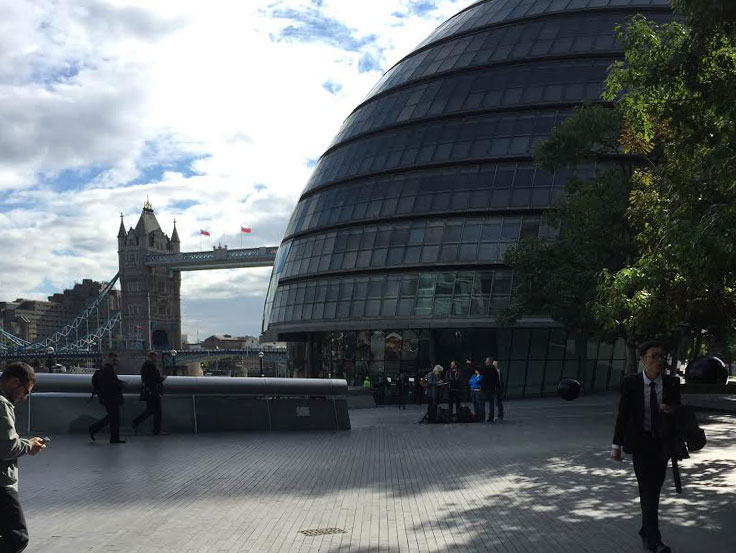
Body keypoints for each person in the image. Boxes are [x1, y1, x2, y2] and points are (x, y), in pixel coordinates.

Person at [612, 341, 680, 553]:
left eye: (662, 356)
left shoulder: (671, 382)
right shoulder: (631, 383)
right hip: (639, 445)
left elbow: (680, 410)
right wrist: (616, 445)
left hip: (661, 445)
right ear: (643, 359)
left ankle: (646, 531)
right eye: (654, 356)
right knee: (648, 490)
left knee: (654, 491)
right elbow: (622, 415)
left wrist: (672, 411)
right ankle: (654, 540)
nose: (660, 360)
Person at [0, 362, 46, 552]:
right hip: (2, 483)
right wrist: (29, 445)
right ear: (14, 382)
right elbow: (5, 448)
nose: (24, 397)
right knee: (17, 537)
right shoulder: (1, 404)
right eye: (25, 391)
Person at [89, 352, 126, 444]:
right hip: (111, 398)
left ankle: (94, 429)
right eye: (114, 360)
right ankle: (113, 438)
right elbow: (110, 384)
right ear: (108, 359)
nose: (115, 362)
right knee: (114, 419)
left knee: (111, 417)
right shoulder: (107, 370)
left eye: (116, 360)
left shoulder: (106, 369)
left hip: (107, 398)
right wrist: (120, 384)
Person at [132, 351, 167, 435]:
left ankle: (136, 422)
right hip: (152, 391)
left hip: (148, 391)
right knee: (157, 411)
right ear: (152, 357)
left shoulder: (145, 365)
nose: (156, 359)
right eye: (155, 357)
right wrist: (163, 378)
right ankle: (156, 430)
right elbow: (156, 378)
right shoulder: (150, 365)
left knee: (151, 410)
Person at [485, 358, 504, 422]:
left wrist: (500, 389)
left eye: (495, 364)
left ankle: (500, 415)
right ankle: (497, 415)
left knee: (498, 402)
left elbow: (500, 381)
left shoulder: (498, 372)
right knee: (496, 402)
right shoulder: (493, 371)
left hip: (497, 389)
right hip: (493, 389)